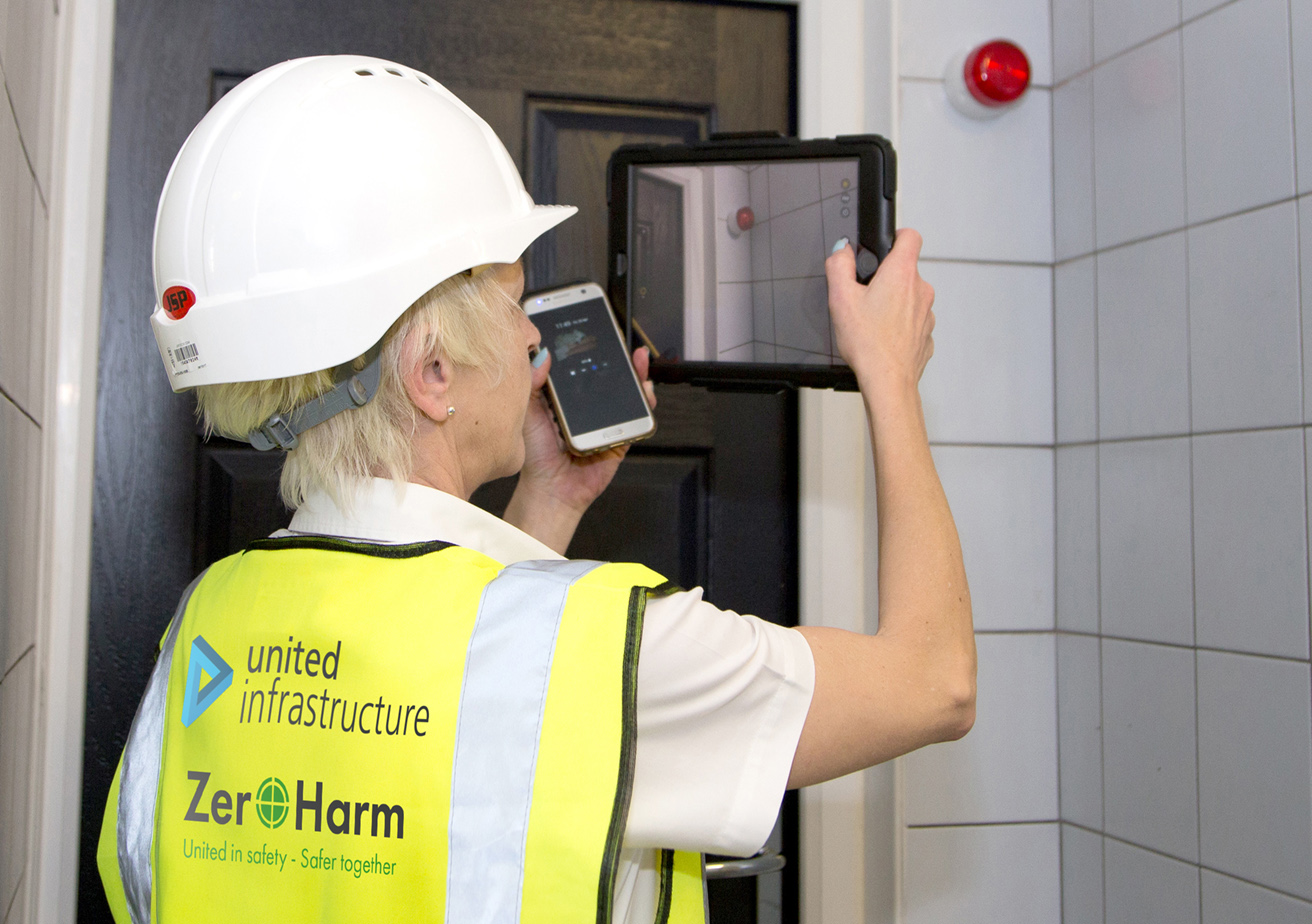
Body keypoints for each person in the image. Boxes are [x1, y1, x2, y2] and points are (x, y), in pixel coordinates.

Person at [98, 55, 974, 924]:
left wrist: (548, 508)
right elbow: (935, 682)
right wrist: (891, 376)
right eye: (512, 302)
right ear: (433, 373)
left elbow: (463, 743)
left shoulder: (204, 628)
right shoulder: (619, 658)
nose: (529, 335)